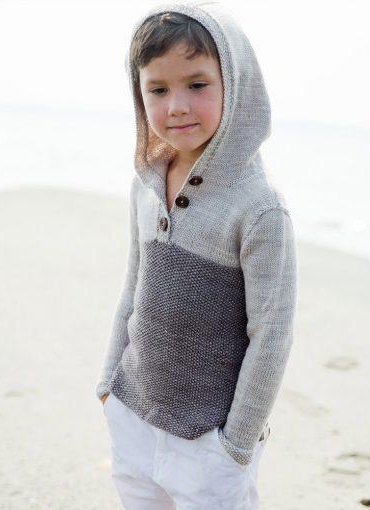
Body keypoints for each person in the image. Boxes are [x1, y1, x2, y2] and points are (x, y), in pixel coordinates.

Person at [95, 1, 298, 508]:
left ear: (236, 83)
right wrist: (108, 382)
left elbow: (271, 334)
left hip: (210, 440)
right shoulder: (146, 185)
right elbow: (132, 289)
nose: (177, 106)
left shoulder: (260, 208)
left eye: (197, 84)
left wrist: (236, 444)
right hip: (133, 413)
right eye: (158, 89)